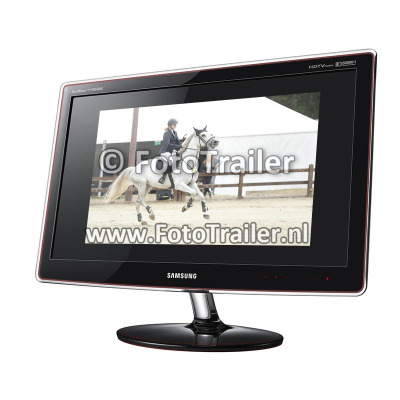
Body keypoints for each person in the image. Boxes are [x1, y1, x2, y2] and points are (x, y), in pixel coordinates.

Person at [157, 118, 182, 184]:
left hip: (172, 151)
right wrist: (176, 146)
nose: (175, 126)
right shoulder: (166, 133)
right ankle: (163, 177)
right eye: (174, 124)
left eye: (176, 124)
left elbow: (178, 141)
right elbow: (167, 144)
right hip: (165, 151)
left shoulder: (175, 133)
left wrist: (183, 145)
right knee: (170, 159)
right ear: (170, 125)